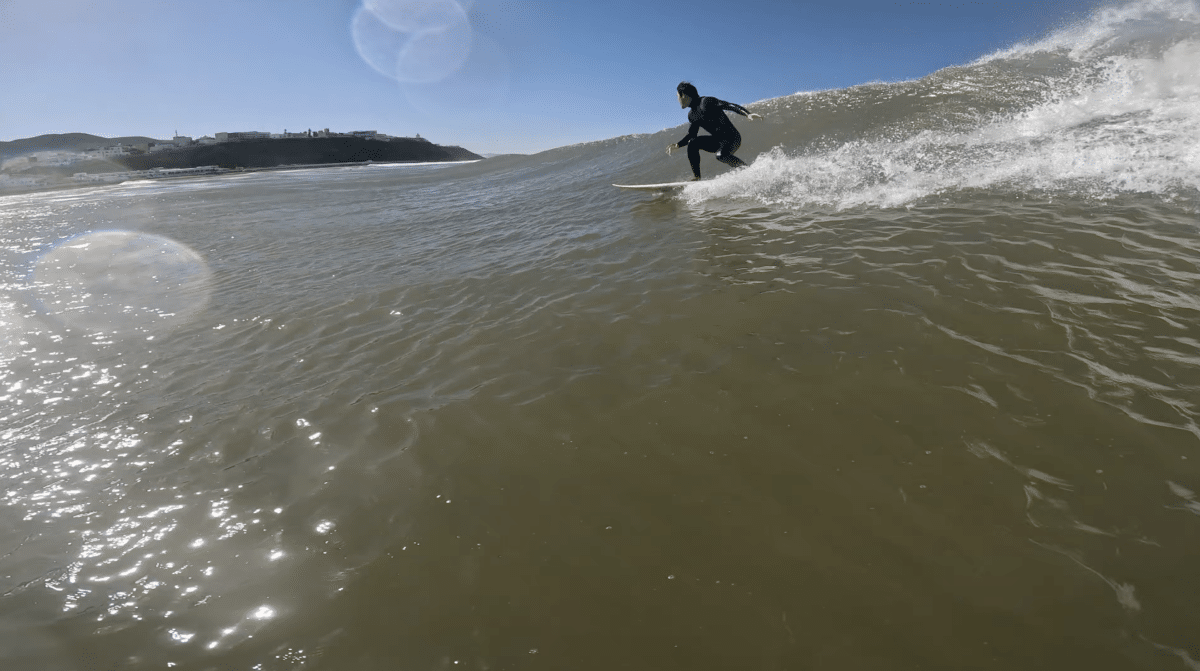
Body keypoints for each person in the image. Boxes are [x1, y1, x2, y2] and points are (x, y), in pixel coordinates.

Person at [666, 81, 762, 180]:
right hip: (717, 141)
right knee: (692, 143)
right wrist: (678, 144)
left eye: (677, 96)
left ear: (683, 96)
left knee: (721, 155)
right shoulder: (692, 115)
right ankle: (697, 178)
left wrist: (747, 114)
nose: (677, 99)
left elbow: (729, 105)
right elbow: (692, 134)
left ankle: (747, 171)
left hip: (732, 138)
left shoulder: (706, 101)